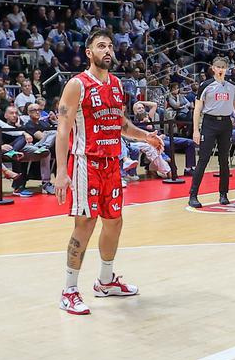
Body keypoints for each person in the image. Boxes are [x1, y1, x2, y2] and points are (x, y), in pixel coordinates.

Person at [53, 28, 164, 316]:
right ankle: (69, 290)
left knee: (114, 222)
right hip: (85, 164)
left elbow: (121, 124)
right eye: (101, 46)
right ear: (89, 53)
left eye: (110, 46)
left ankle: (105, 281)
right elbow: (63, 128)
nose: (108, 50)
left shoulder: (116, 84)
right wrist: (61, 172)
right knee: (85, 225)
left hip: (112, 163)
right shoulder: (77, 84)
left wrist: (146, 136)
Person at [189, 57, 235, 208]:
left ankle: (223, 194)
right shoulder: (205, 85)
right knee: (203, 159)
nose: (220, 69)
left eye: (223, 67)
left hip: (226, 124)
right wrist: (196, 130)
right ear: (213, 68)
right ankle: (193, 195)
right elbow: (197, 109)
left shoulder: (232, 87)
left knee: (224, 160)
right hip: (209, 123)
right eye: (218, 66)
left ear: (226, 69)